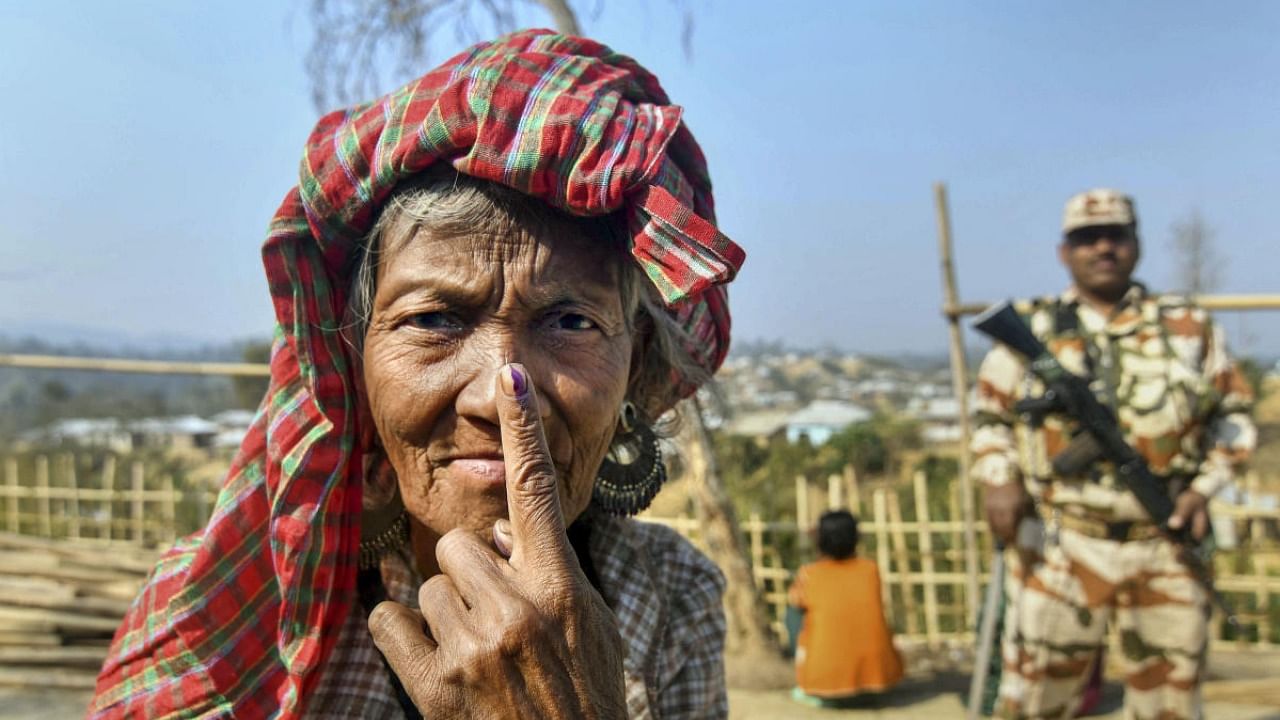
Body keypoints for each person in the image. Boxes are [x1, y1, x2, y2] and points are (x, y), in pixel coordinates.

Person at [89, 29, 745, 719]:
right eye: (435, 320)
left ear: (636, 360)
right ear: (353, 360)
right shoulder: (212, 618)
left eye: (571, 323)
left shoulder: (669, 595)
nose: (501, 393)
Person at [971, 188, 1255, 719]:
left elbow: (1234, 416)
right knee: (1036, 701)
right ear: (1064, 251)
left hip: (1164, 542)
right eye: (1086, 238)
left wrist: (1201, 490)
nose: (1102, 248)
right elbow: (990, 417)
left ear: (1135, 244)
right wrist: (998, 477)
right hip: (1064, 542)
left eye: (1115, 236)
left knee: (1170, 701)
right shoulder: (1032, 329)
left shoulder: (1186, 327)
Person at [788, 510, 903, 705]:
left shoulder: (810, 574)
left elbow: (795, 602)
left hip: (823, 687)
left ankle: (809, 676)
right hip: (879, 686)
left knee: (793, 613)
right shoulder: (870, 570)